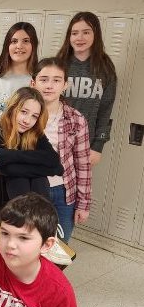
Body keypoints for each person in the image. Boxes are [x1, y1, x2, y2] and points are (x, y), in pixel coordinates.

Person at [0, 87, 63, 224]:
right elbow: (8, 170)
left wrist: (8, 155)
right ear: (12, 108)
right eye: (24, 112)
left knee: (39, 178)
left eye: (34, 116)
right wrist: (40, 164)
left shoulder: (35, 135)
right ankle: (35, 224)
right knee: (19, 176)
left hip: (14, 201)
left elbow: (56, 165)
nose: (27, 120)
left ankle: (38, 224)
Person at [31, 57, 91, 243]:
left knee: (58, 248)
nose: (49, 85)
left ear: (65, 84)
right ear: (33, 83)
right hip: (30, 189)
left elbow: (83, 165)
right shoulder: (22, 115)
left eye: (56, 80)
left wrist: (83, 204)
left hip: (63, 193)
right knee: (29, 244)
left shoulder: (76, 119)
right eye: (44, 79)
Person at [57, 11, 117, 167]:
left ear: (95, 35)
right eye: (75, 33)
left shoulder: (105, 68)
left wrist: (98, 147)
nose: (79, 38)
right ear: (69, 37)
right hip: (54, 140)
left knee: (79, 190)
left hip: (85, 145)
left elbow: (105, 110)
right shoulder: (58, 65)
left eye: (86, 32)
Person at [0, 22, 38, 128]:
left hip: (31, 141)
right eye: (14, 41)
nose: (19, 46)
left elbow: (43, 116)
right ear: (7, 46)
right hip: (0, 139)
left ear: (33, 46)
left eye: (26, 41)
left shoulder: (39, 80)